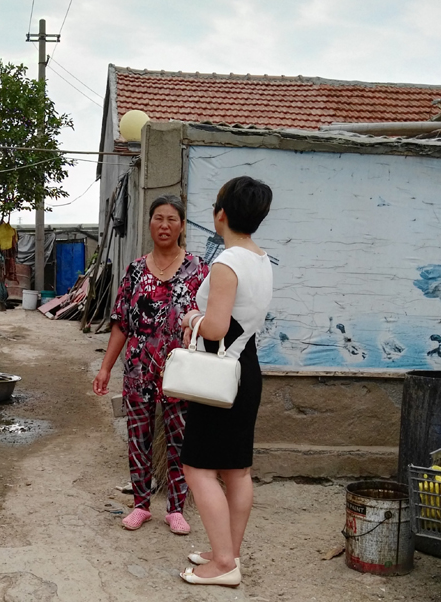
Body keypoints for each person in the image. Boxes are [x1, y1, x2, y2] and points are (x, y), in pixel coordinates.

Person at [93, 194, 209, 534]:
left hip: (181, 368)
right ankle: (141, 505)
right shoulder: (135, 270)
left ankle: (176, 509)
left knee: (179, 438)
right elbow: (120, 323)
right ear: (149, 224)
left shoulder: (199, 270)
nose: (164, 225)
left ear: (182, 225)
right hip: (138, 367)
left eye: (172, 219)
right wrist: (105, 368)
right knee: (138, 437)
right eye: (158, 218)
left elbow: (211, 320)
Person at [178, 176, 273, 587]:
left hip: (219, 376)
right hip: (245, 368)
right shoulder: (261, 259)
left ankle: (222, 564)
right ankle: (228, 552)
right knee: (237, 470)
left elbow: (215, 328)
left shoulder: (227, 262)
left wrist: (191, 318)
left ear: (221, 214)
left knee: (197, 468)